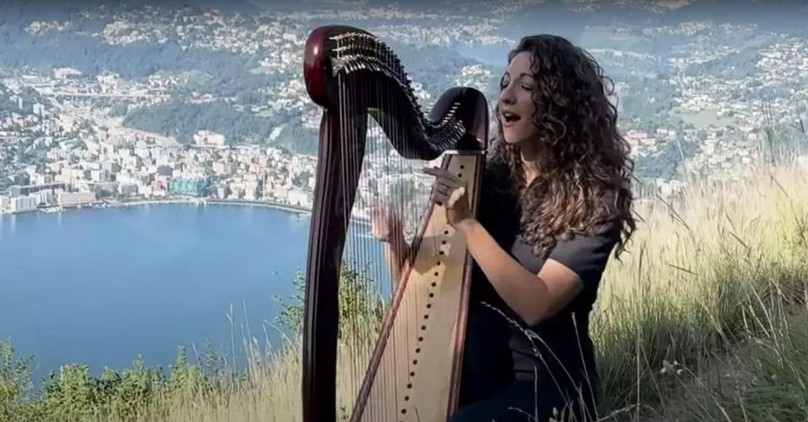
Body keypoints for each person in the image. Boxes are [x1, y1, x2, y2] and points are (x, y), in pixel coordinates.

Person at [370, 34, 636, 422]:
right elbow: (417, 292)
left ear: (561, 105)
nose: (507, 97)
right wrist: (395, 243)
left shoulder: (594, 202)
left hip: (550, 384)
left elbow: (536, 304)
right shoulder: (486, 181)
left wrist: (467, 224)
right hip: (479, 366)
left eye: (526, 87)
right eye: (505, 84)